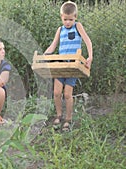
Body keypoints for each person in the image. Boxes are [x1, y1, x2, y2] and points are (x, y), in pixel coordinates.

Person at [44, 1, 93, 131]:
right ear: (61, 17)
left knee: (67, 94)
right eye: (65, 19)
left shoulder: (78, 26)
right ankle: (59, 115)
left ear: (75, 17)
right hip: (61, 65)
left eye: (70, 19)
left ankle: (68, 118)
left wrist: (90, 57)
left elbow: (87, 40)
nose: (67, 22)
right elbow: (53, 45)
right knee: (56, 92)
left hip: (73, 66)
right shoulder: (60, 30)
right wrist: (44, 55)